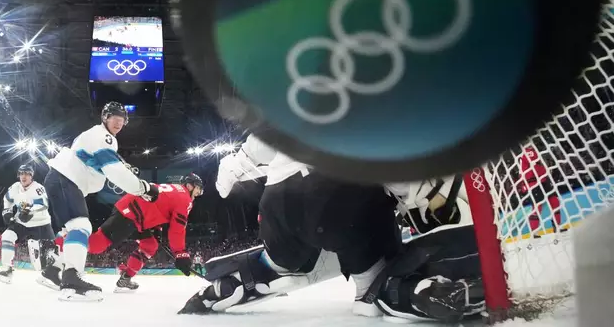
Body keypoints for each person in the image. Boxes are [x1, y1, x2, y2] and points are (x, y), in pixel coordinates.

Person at [179, 135, 484, 323]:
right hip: (342, 195)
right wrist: (421, 198)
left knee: (283, 262)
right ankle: (411, 291)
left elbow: (245, 158)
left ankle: (239, 281)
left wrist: (230, 172)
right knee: (373, 285)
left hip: (276, 203)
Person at [41, 101, 159, 301]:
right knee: (81, 226)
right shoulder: (104, 137)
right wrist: (143, 188)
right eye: (114, 117)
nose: (119, 122)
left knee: (73, 229)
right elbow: (113, 170)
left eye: (122, 119)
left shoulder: (96, 136)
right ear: (105, 117)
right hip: (65, 180)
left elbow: (97, 169)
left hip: (62, 180)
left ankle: (53, 271)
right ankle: (71, 280)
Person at [87, 173, 204, 292]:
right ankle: (69, 242)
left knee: (150, 245)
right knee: (97, 245)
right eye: (198, 189)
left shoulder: (176, 192)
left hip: (137, 213)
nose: (198, 194)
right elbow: (177, 230)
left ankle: (125, 278)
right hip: (131, 213)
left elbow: (157, 207)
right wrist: (181, 254)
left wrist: (157, 229)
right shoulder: (185, 199)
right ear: (189, 186)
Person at [0, 164, 55, 284]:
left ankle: (53, 274)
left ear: (31, 176)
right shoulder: (15, 187)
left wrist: (29, 210)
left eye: (27, 174)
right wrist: (7, 211)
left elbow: (44, 204)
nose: (24, 176)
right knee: (7, 236)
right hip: (21, 222)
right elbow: (7, 199)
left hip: (41, 223)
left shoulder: (38, 188)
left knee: (48, 255)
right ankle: (7, 268)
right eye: (21, 173)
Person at [514, 146, 563, 236]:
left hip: (543, 181)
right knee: (537, 207)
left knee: (554, 201)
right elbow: (524, 170)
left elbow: (539, 166)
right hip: (533, 183)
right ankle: (534, 231)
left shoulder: (536, 150)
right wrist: (523, 185)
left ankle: (557, 225)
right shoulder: (525, 153)